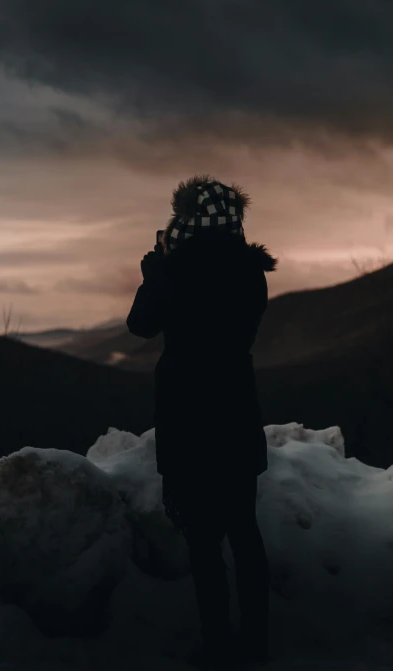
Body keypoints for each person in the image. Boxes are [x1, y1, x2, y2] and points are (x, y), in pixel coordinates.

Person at [126, 175, 277, 670]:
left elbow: (141, 324)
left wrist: (155, 272)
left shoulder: (177, 272)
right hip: (235, 412)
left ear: (189, 221)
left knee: (204, 542)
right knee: (244, 532)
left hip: (188, 417)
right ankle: (256, 642)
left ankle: (217, 647)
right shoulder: (252, 273)